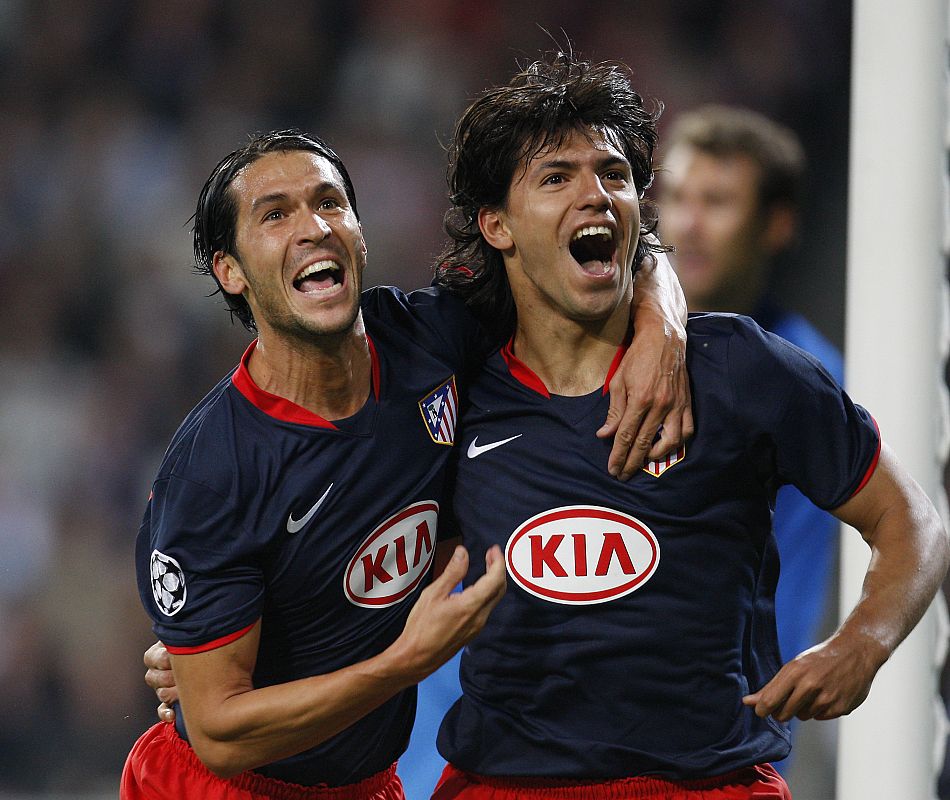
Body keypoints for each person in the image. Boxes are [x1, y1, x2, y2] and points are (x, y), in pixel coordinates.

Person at [423, 53, 946, 798]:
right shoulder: (448, 388)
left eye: (613, 175)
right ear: (496, 225)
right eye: (557, 178)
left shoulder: (740, 367)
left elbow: (911, 519)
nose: (595, 195)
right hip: (501, 782)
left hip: (708, 782)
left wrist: (864, 641)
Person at [124, 128, 692, 800]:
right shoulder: (214, 472)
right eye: (275, 215)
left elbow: (602, 251)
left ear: (360, 235)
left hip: (368, 787)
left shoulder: (428, 337)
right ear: (231, 271)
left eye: (329, 203)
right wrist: (403, 662)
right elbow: (221, 738)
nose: (314, 228)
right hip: (224, 788)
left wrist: (663, 324)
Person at [656, 106, 843, 679]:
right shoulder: (584, 335)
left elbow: (787, 581)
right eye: (675, 197)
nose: (688, 224)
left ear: (776, 225)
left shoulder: (807, 383)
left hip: (711, 709)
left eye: (716, 202)